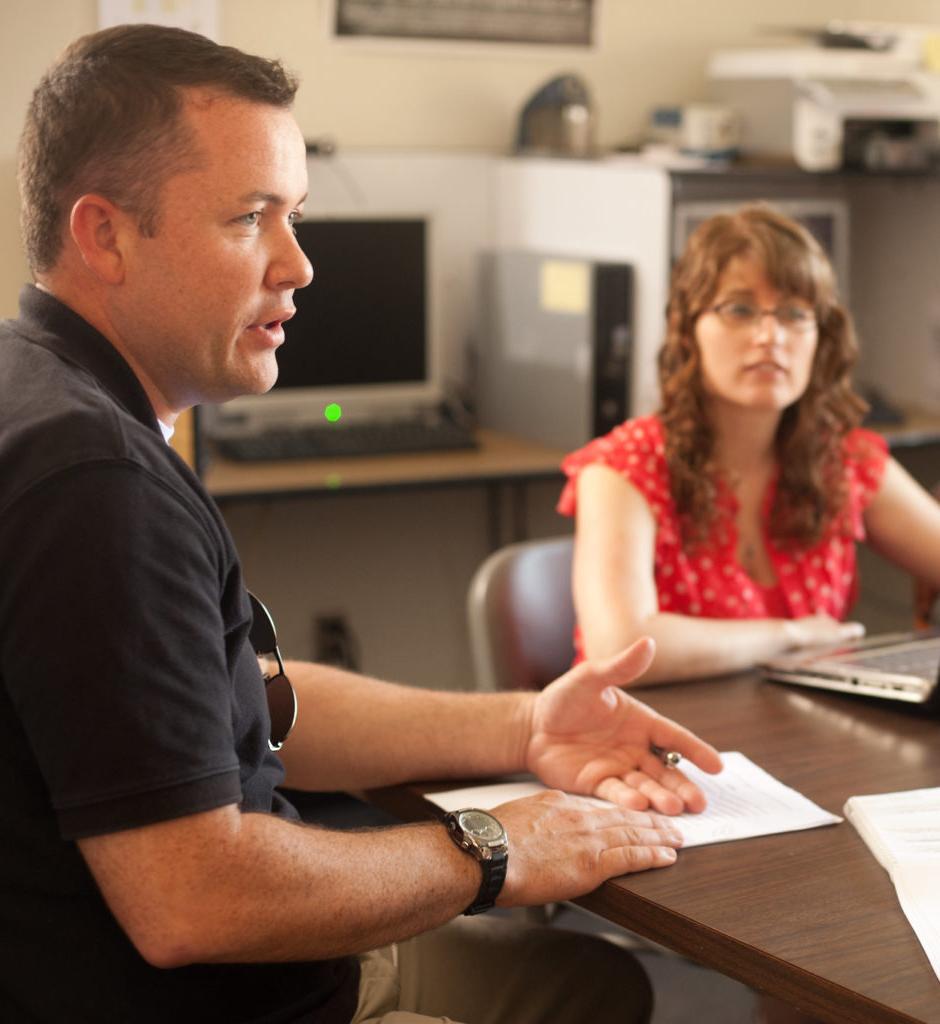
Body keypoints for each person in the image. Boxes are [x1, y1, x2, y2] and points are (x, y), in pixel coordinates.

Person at [0, 24, 725, 1024]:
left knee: (599, 982)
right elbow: (194, 897)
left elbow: (227, 699)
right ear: (104, 234)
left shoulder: (43, 392)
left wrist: (523, 725)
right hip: (225, 994)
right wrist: (492, 842)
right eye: (250, 219)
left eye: (293, 216)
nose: (298, 265)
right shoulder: (96, 483)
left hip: (269, 968)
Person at [559, 204, 940, 685]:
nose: (770, 336)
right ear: (687, 329)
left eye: (794, 314)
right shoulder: (624, 467)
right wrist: (791, 636)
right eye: (739, 309)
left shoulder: (842, 459)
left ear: (821, 337)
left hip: (802, 741)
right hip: (646, 742)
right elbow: (619, 647)